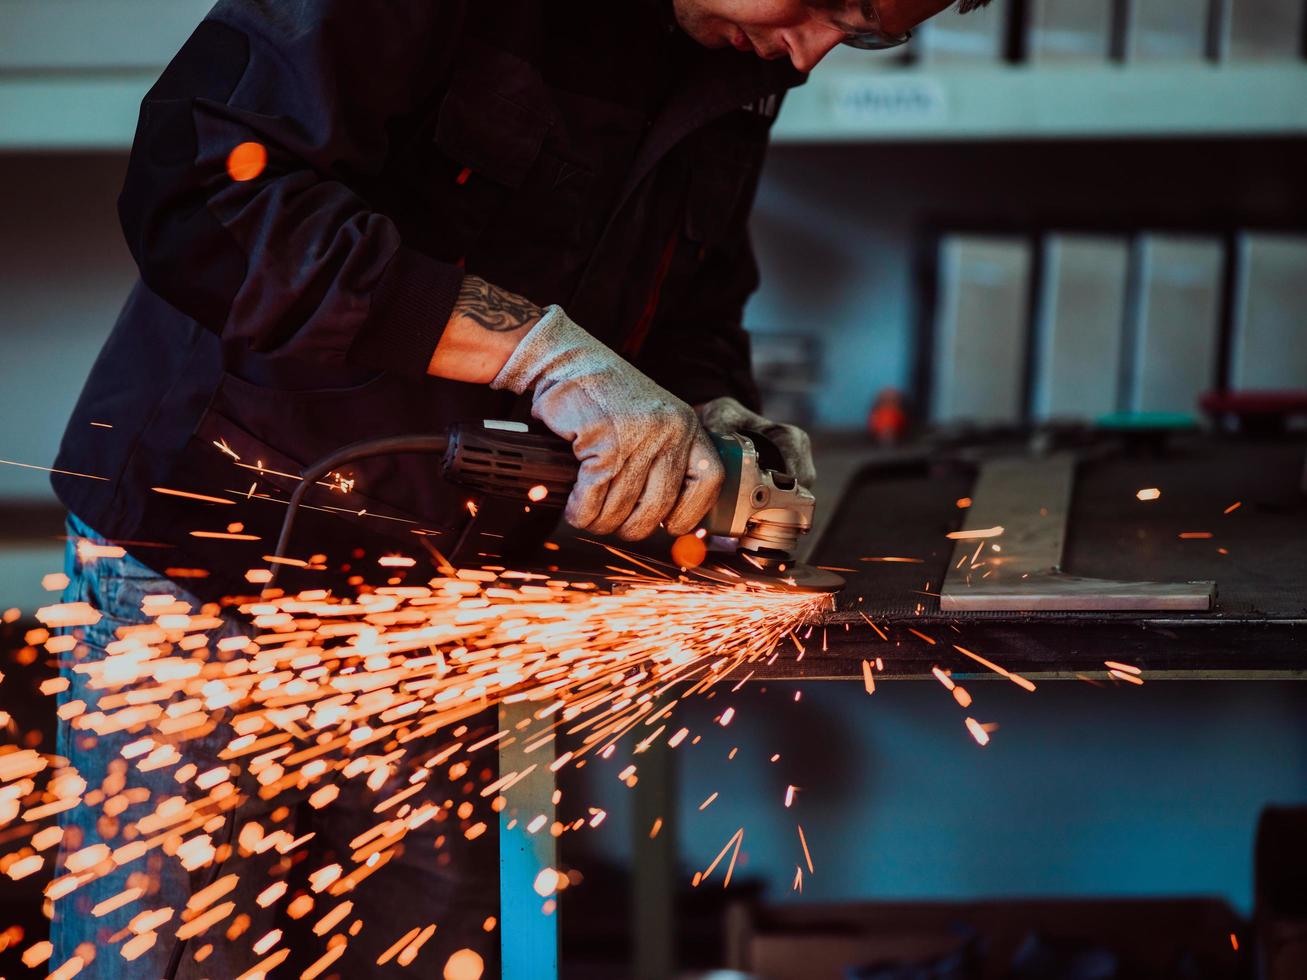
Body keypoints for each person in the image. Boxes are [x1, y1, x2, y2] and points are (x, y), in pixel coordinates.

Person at [48, 1, 982, 974]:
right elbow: (202, 196)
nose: (813, 50)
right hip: (214, 548)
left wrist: (709, 405)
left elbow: (688, 292)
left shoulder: (735, 52)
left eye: (867, 33)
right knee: (178, 949)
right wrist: (532, 349)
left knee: (411, 944)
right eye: (832, 1)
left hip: (442, 592)